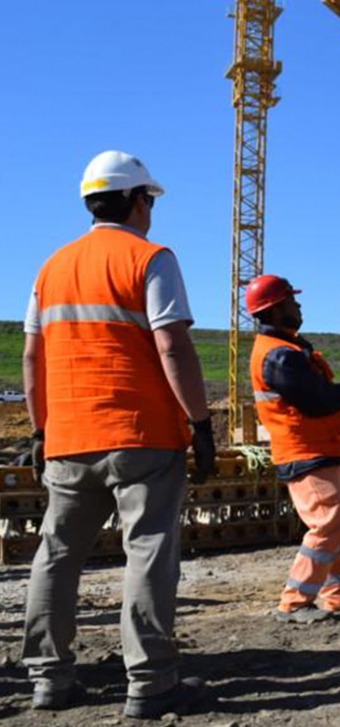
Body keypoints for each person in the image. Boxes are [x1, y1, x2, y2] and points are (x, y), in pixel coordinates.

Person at [21, 150, 215, 719]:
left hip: (68, 437)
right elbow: (173, 346)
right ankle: (151, 683)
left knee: (55, 555)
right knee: (149, 553)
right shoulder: (151, 257)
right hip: (143, 435)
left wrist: (40, 429)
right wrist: (201, 425)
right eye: (149, 199)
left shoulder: (51, 268)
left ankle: (48, 680)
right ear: (137, 201)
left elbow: (34, 360)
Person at [245, 274, 340, 624]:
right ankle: (294, 603)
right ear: (277, 309)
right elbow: (316, 399)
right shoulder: (279, 356)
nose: (299, 305)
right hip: (305, 451)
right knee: (329, 524)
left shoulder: (288, 350)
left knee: (335, 526)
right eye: (292, 301)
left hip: (317, 449)